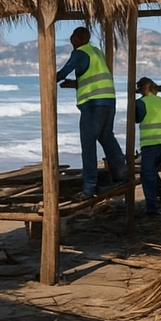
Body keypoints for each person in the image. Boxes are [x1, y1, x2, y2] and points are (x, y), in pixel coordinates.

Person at [57, 26, 127, 198]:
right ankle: (123, 175)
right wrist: (74, 84)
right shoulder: (96, 52)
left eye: (72, 37)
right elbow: (92, 77)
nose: (71, 41)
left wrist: (47, 78)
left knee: (88, 145)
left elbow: (64, 71)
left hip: (93, 104)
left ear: (79, 38)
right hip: (108, 100)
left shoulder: (80, 52)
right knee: (106, 138)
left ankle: (89, 187)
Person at [135, 76, 161, 216]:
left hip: (151, 145)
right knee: (152, 169)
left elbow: (136, 119)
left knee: (147, 173)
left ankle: (151, 208)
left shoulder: (141, 103)